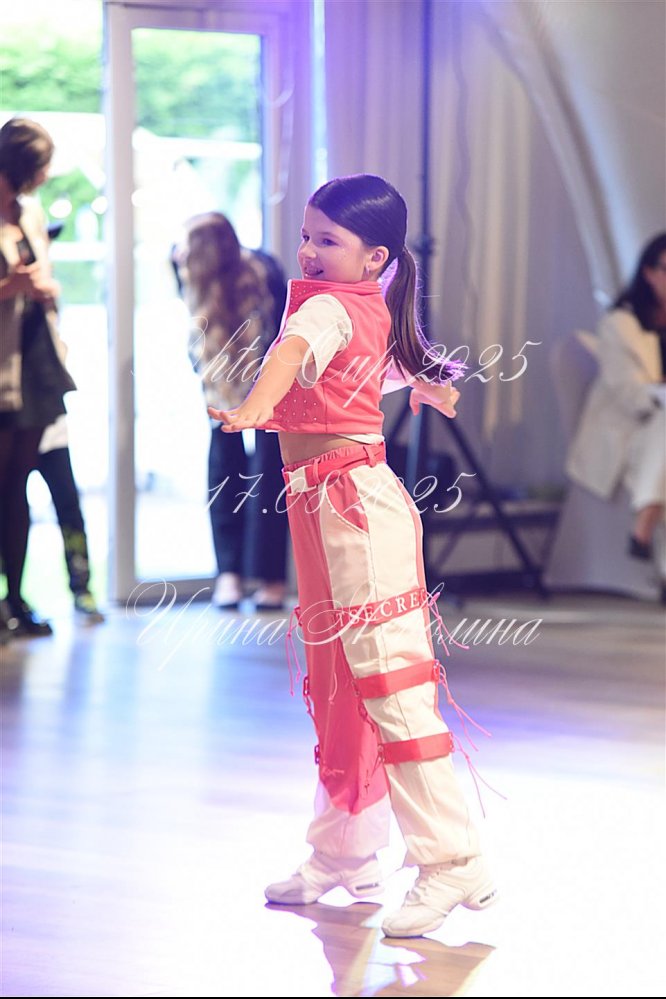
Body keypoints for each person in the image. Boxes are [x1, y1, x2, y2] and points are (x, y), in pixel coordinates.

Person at [208, 174, 497, 938]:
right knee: (339, 687)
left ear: (375, 257)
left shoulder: (328, 307)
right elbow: (371, 365)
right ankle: (345, 853)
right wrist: (429, 384)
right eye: (307, 234)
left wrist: (256, 407)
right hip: (326, 506)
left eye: (327, 240)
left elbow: (292, 353)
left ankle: (453, 858)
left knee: (389, 684)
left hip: (354, 509)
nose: (308, 250)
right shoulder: (357, 302)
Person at [173, 212, 289, 610]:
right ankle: (230, 573)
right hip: (219, 382)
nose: (181, 253)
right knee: (224, 470)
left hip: (267, 380)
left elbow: (283, 329)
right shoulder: (191, 275)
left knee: (270, 476)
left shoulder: (262, 271)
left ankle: (271, 578)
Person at [0, 117, 76, 641]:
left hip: (35, 363)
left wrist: (45, 289)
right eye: (42, 166)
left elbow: (42, 278)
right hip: (3, 369)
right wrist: (9, 289)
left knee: (17, 486)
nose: (46, 175)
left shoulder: (29, 212)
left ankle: (16, 600)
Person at [567, 232, 666, 561]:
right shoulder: (620, 324)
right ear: (649, 273)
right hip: (628, 428)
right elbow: (629, 392)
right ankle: (647, 522)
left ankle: (645, 521)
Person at [36, 415, 105, 622]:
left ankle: (82, 589)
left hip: (53, 433)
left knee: (70, 509)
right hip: (14, 431)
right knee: (11, 513)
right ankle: (13, 599)